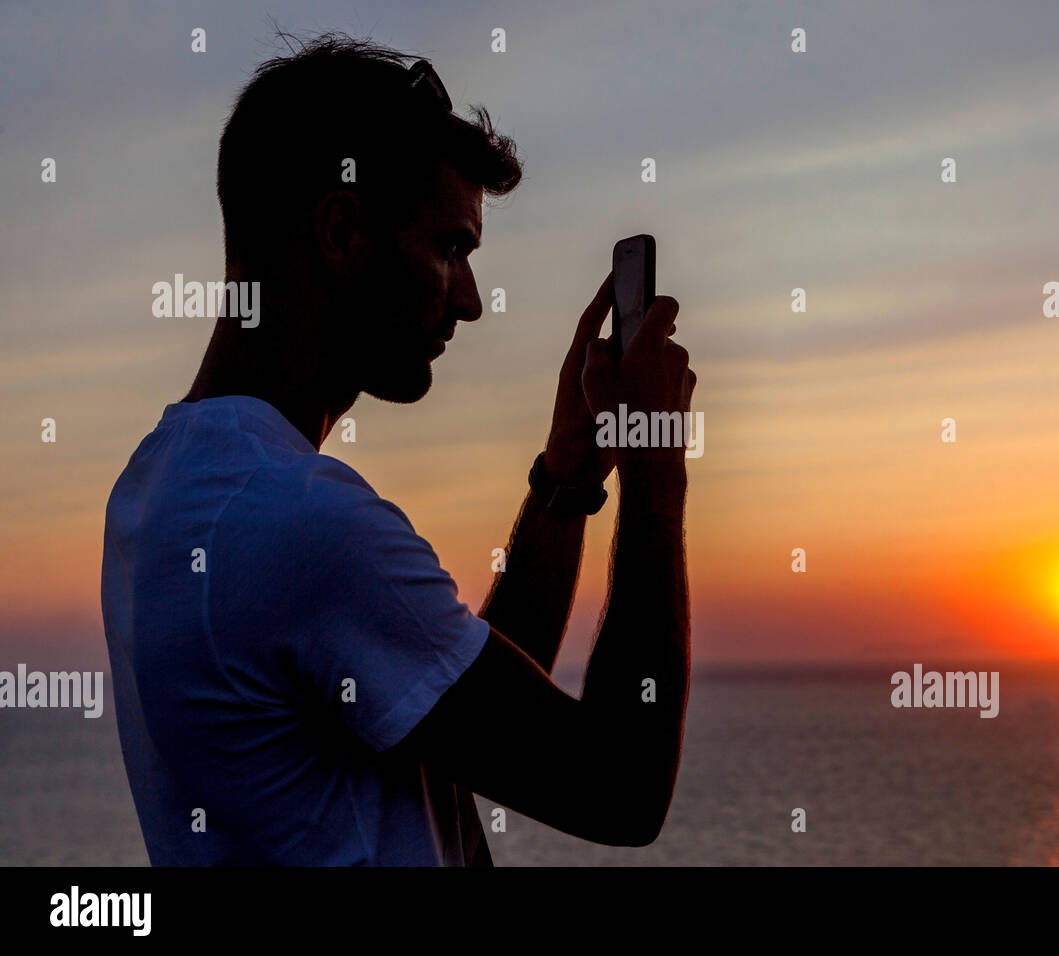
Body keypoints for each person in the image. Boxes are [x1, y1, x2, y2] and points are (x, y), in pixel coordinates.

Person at [100, 34, 694, 866]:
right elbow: (619, 787)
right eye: (451, 249)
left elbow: (450, 706)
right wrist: (657, 472)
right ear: (342, 231)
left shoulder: (158, 484)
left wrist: (566, 480)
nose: (473, 301)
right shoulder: (299, 519)